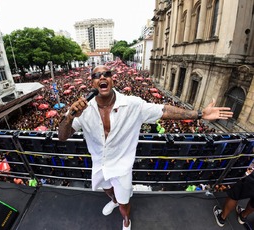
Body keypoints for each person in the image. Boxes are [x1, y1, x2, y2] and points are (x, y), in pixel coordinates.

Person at [58, 65, 233, 230]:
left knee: (125, 200)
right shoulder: (82, 109)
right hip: (99, 164)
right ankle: (114, 200)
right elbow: (62, 136)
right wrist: (70, 117)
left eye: (107, 74)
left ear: (113, 81)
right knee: (107, 189)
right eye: (96, 75)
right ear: (92, 83)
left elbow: (163, 110)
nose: (102, 77)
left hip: (122, 168)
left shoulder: (132, 104)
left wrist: (199, 114)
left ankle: (126, 219)